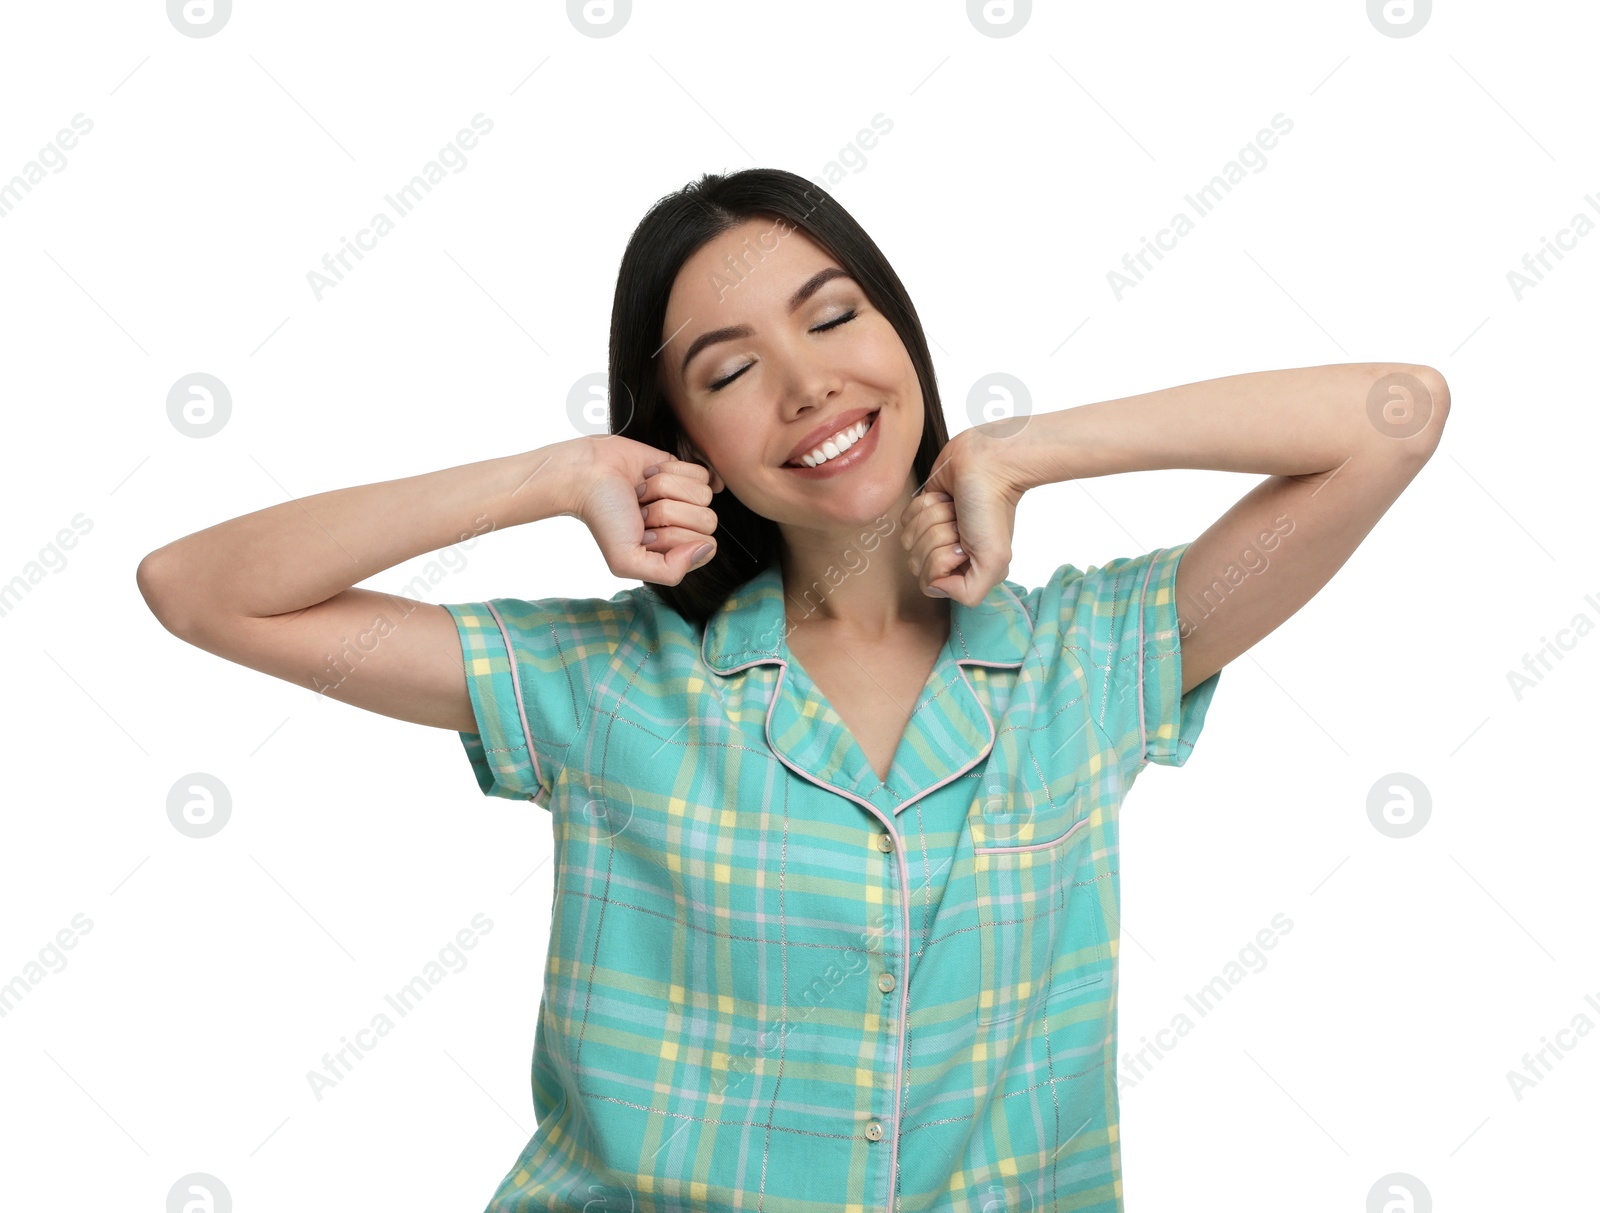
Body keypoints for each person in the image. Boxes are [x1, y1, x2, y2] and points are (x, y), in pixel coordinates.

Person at [136, 168, 1450, 1212]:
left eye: (834, 318)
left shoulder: (1089, 660)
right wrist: (549, 475)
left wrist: (1023, 448)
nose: (810, 381)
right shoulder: (600, 683)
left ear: (898, 333)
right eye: (728, 369)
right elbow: (200, 587)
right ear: (680, 437)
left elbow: (1396, 412)